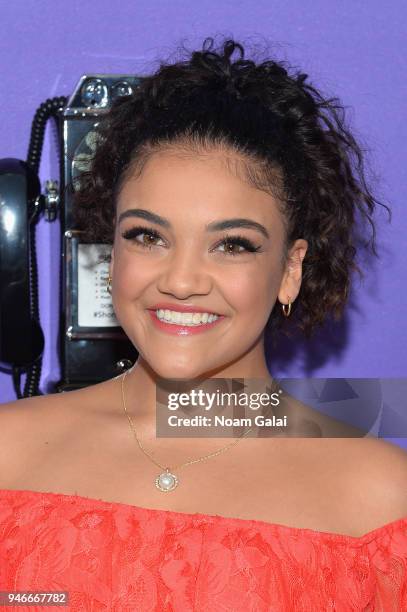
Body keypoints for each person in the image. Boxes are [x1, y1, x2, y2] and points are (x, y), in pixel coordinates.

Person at [0, 36, 406, 611]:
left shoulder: (384, 502)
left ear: (290, 271)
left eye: (233, 245)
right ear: (110, 252)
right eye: (148, 236)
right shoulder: (5, 454)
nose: (182, 280)